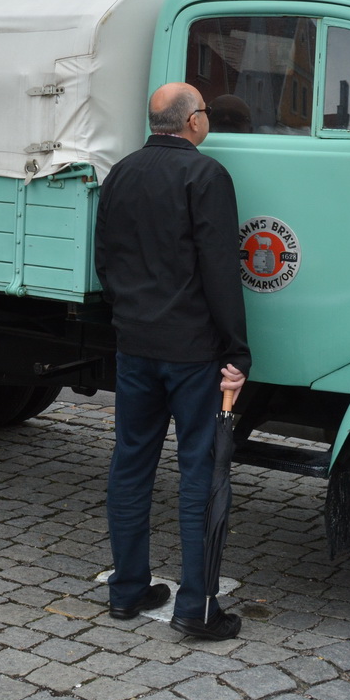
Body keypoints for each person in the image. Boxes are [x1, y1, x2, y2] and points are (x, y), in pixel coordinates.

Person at [94, 82, 250, 640]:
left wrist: (131, 315)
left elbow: (104, 262)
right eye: (204, 111)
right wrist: (236, 350)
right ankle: (196, 607)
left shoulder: (121, 174)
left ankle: (127, 590)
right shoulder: (206, 176)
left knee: (131, 463)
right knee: (199, 472)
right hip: (191, 352)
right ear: (191, 122)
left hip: (134, 344)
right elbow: (220, 272)